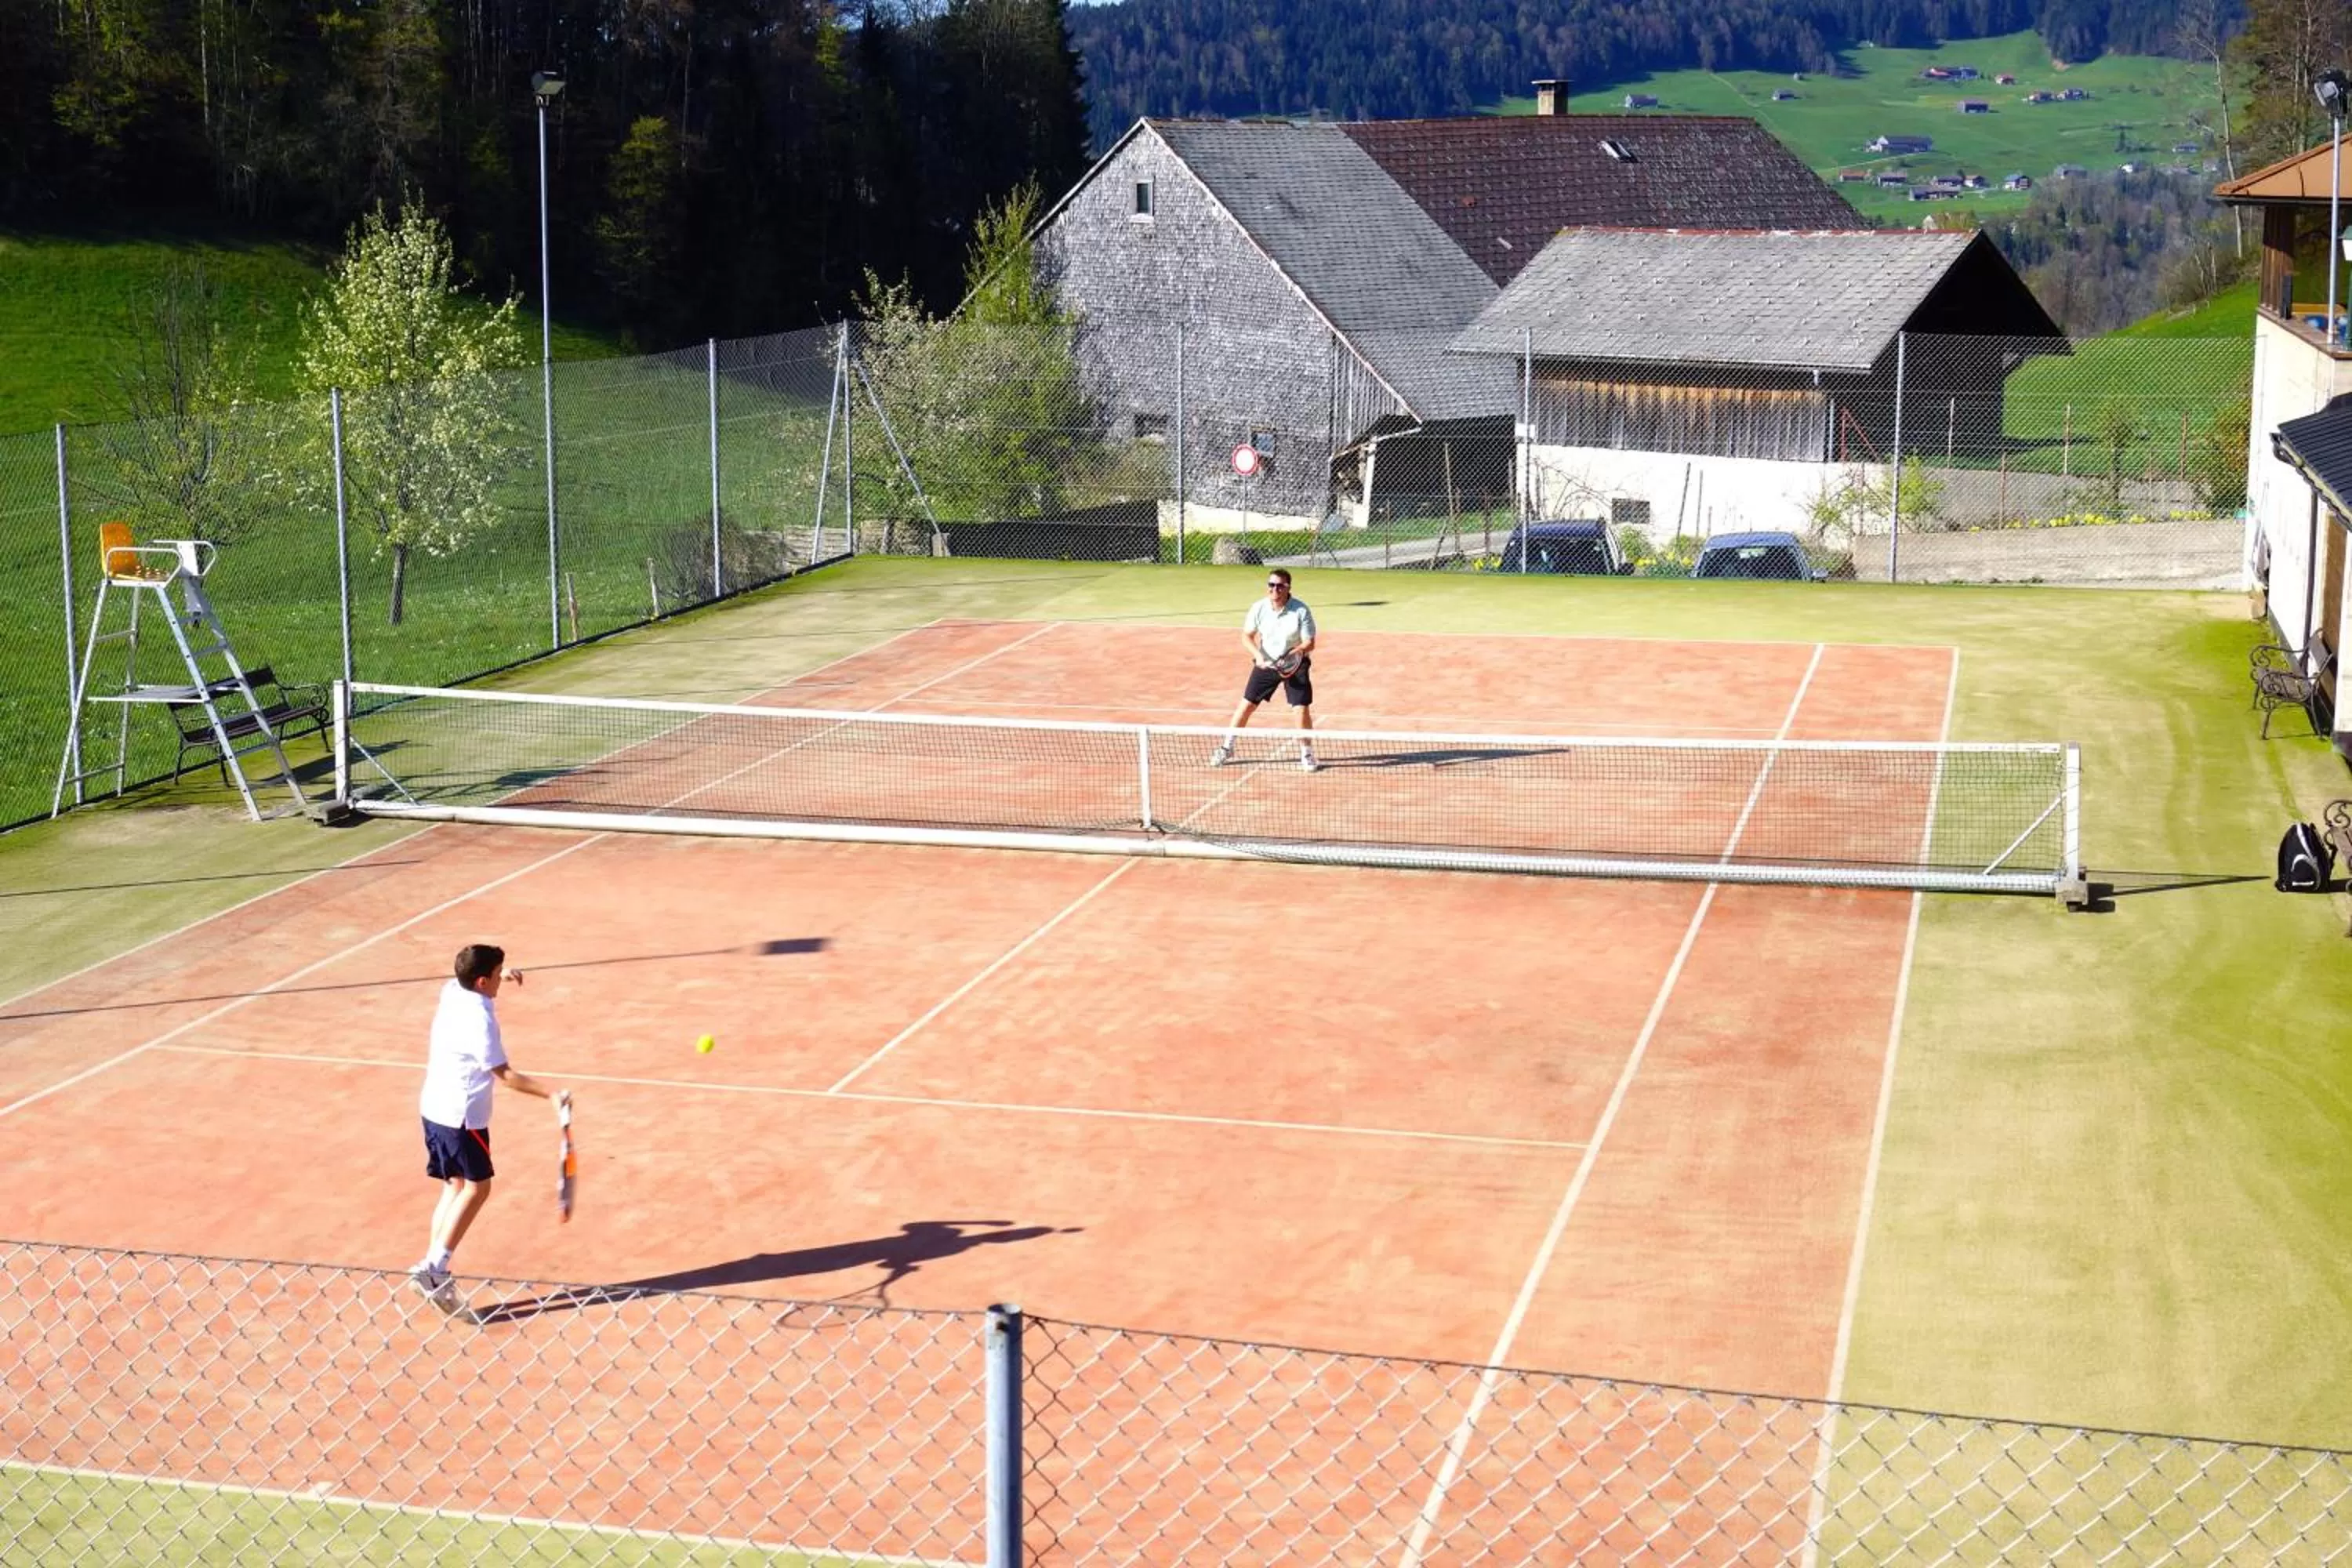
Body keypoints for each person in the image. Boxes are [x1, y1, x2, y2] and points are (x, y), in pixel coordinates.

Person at [408, 943, 567, 1303]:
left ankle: (431, 1267)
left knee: (454, 1186)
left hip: (433, 1107)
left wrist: (502, 975)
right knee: (478, 1188)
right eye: (495, 976)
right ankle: (435, 1269)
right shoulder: (481, 1020)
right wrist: (551, 1096)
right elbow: (505, 1076)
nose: (499, 980)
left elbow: (466, 979)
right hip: (462, 1118)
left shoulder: (452, 990)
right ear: (482, 981)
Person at [1210, 568, 1319, 771]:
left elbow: (1310, 643)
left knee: (1301, 708)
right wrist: (1258, 656)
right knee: (1247, 705)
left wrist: (1293, 655)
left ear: (1288, 588)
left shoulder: (1301, 610)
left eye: (1280, 586)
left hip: (1294, 664)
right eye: (1271, 585)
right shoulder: (1259, 608)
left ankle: (1307, 754)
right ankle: (1227, 747)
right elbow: (1246, 636)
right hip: (1267, 662)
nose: (1275, 589)